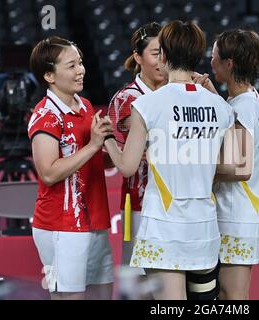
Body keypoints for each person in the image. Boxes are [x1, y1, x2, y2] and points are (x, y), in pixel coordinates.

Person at [104, 20, 244, 300]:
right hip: (204, 229)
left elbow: (128, 166)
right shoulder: (220, 106)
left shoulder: (146, 104)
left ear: (164, 56)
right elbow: (238, 165)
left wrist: (106, 138)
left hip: (163, 228)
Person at [27, 36, 114, 300]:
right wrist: (93, 145)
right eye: (71, 65)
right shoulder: (45, 116)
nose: (81, 70)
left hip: (95, 220)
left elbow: (91, 161)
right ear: (49, 75)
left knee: (103, 294)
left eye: (81, 63)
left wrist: (108, 148)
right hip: (60, 227)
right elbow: (49, 173)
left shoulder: (85, 105)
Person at [202, 29, 259, 300]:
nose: (211, 62)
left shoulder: (243, 107)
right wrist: (212, 94)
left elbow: (240, 168)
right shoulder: (247, 98)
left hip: (237, 216)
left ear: (229, 64)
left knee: (233, 295)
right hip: (242, 214)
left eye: (215, 56)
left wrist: (197, 170)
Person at [108, 22, 167, 267]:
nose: (163, 61)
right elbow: (125, 161)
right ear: (137, 57)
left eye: (167, 53)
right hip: (142, 206)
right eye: (155, 54)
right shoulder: (126, 100)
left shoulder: (178, 94)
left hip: (179, 206)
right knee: (141, 285)